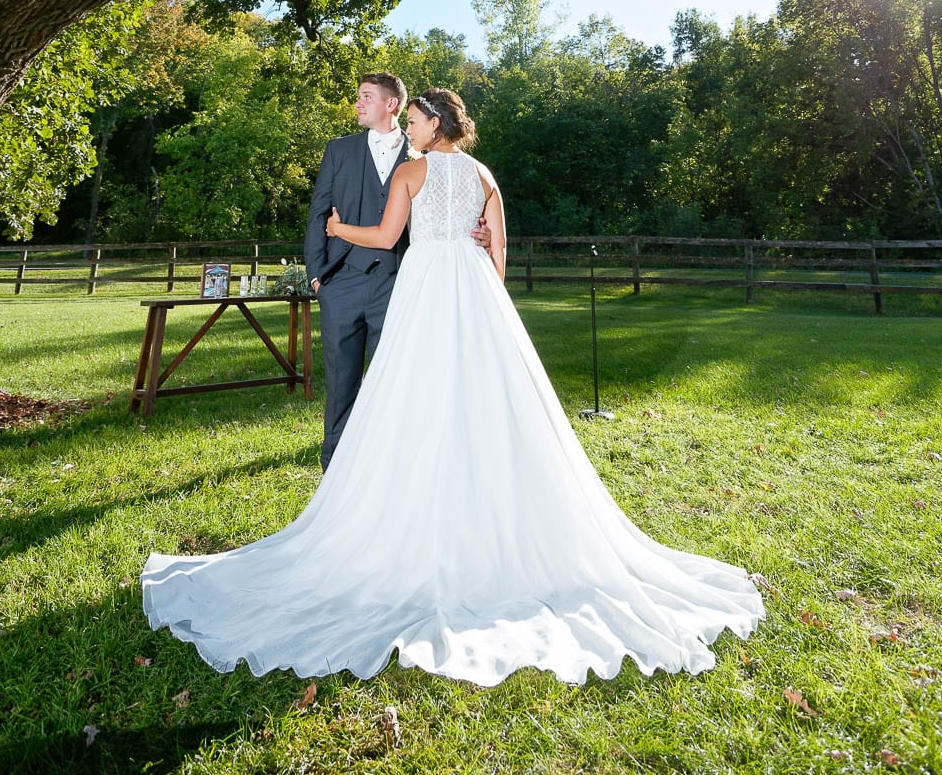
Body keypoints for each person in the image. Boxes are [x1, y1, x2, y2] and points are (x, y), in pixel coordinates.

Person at [142, 87, 764, 686]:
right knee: (487, 396)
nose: (407, 129)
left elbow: (386, 238)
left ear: (432, 125)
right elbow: (497, 254)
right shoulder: (485, 176)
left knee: (411, 393)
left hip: (426, 286)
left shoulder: (411, 175)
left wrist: (337, 229)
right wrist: (482, 272)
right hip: (473, 290)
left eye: (412, 121)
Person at [304, 72, 489, 470]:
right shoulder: (339, 150)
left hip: (400, 284)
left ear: (392, 104)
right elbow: (318, 212)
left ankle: (389, 466)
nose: (357, 103)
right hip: (342, 282)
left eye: (366, 97)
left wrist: (481, 232)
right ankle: (334, 465)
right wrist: (317, 275)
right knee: (341, 382)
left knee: (398, 382)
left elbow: (448, 210)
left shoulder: (425, 149)